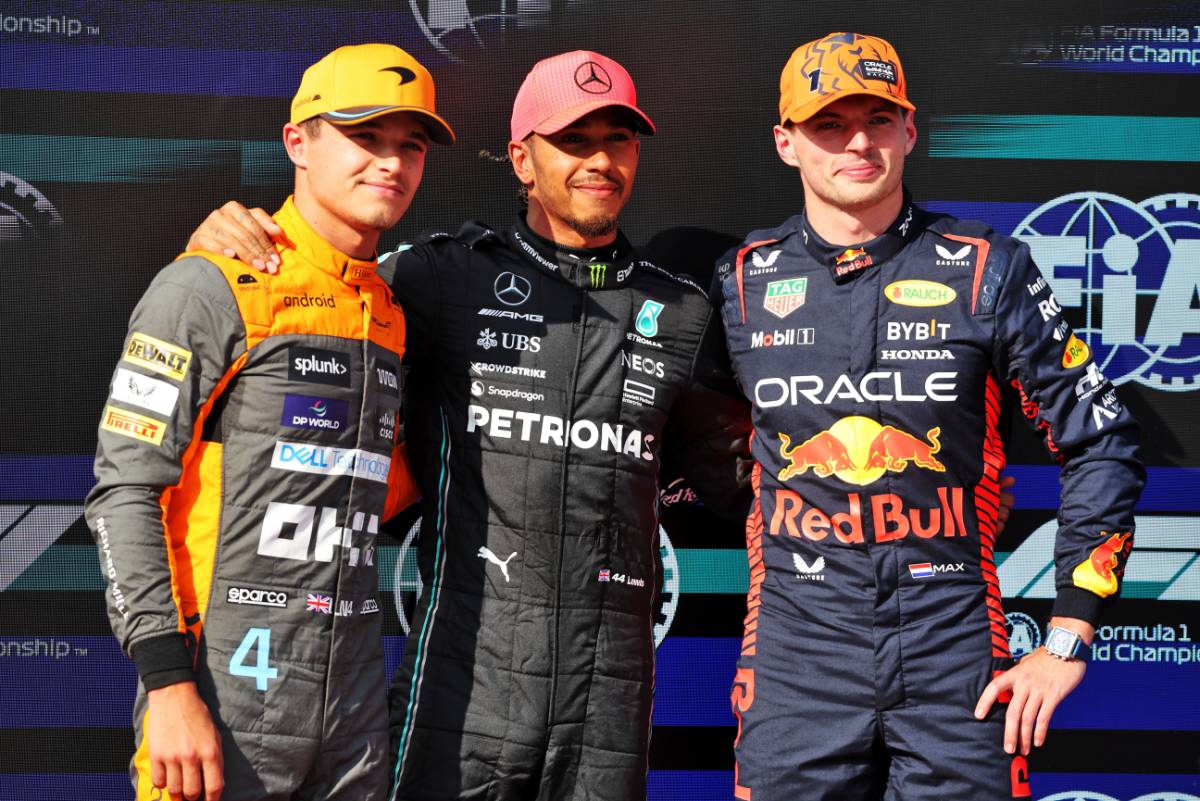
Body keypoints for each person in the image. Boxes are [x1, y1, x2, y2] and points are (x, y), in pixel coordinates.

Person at [184, 49, 750, 801]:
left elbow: (738, 477)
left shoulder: (681, 310)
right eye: (573, 141)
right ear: (522, 158)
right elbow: (321, 287)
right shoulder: (440, 275)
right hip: (463, 679)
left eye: (619, 139)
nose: (600, 161)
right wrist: (226, 239)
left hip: (610, 694)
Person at [713, 31, 1145, 801]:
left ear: (910, 129)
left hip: (956, 657)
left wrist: (1068, 635)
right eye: (828, 125)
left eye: (878, 119)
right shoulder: (740, 282)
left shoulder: (987, 267)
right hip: (796, 657)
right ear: (786, 143)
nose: (857, 142)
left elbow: (1103, 440)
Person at [84, 43, 453, 801]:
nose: (390, 163)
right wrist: (167, 685)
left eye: (408, 146)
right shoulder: (208, 284)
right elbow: (123, 492)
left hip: (351, 710)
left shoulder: (390, 311)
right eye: (364, 136)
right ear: (298, 142)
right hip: (221, 695)